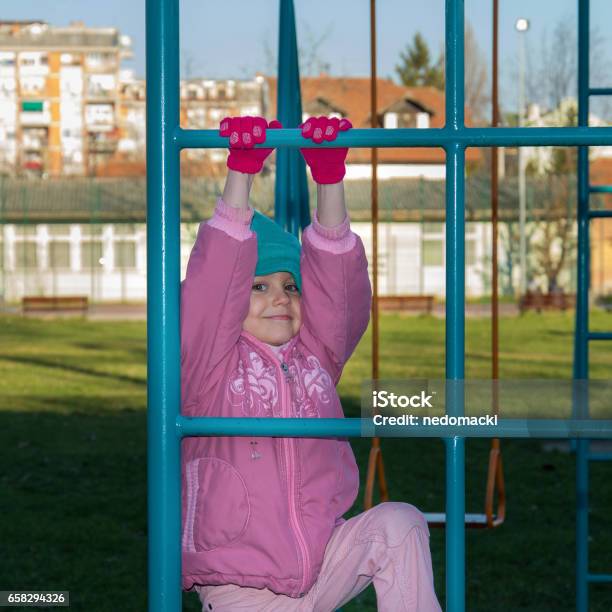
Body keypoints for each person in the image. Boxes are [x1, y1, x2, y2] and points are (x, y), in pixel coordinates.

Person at [181, 115, 442, 611]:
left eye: (289, 285)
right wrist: (241, 173)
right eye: (259, 286)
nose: (279, 298)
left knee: (399, 523)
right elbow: (213, 289)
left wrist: (329, 180)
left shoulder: (316, 355)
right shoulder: (207, 367)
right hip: (243, 586)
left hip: (323, 563)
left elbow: (338, 293)